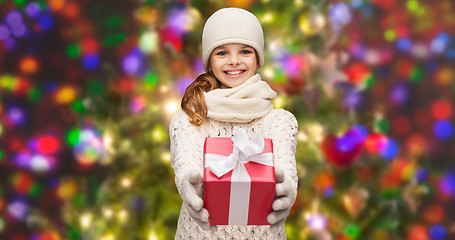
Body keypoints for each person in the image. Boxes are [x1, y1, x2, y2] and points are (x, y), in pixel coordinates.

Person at [169, 7, 298, 239]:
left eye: (245, 51)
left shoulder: (280, 121)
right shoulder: (188, 120)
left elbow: (285, 168)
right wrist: (188, 184)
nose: (234, 61)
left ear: (258, 58)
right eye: (222, 53)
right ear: (209, 62)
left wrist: (287, 189)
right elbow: (186, 162)